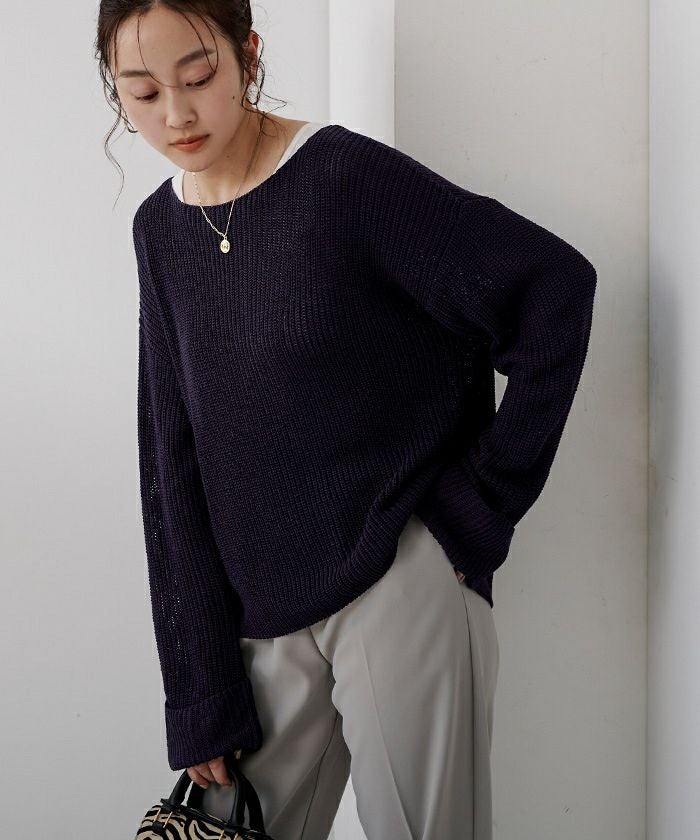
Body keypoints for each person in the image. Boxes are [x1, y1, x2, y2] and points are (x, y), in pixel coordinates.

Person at [97, 2, 597, 838]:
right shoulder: (159, 230)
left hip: (399, 578)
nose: (176, 114)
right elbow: (170, 460)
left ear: (248, 54)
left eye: (199, 76)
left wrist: (476, 510)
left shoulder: (343, 180)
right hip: (261, 613)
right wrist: (198, 687)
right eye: (142, 93)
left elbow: (552, 288)